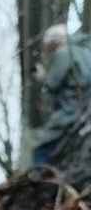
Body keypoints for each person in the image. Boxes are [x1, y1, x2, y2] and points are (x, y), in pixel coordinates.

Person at [33, 23, 91, 166]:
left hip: (70, 113)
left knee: (41, 149)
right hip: (86, 114)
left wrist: (41, 76)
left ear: (55, 41)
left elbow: (52, 83)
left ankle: (36, 174)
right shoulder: (86, 50)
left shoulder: (64, 52)